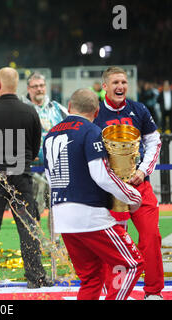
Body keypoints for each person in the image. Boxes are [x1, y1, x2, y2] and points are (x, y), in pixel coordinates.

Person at [43, 88, 144, 300]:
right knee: (133, 264)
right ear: (97, 111)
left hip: (62, 216)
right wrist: (132, 196)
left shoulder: (51, 134)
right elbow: (102, 175)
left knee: (91, 278)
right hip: (90, 215)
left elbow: (50, 178)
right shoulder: (91, 131)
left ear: (69, 107)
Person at [0, 67, 52, 289]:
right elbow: (36, 148)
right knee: (28, 227)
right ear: (17, 86)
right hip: (21, 177)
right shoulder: (30, 112)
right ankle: (35, 277)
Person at [94, 66, 164, 300]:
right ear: (104, 86)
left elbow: (154, 142)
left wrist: (143, 171)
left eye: (123, 82)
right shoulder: (94, 113)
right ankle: (115, 293)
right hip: (108, 190)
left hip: (138, 185)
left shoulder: (139, 109)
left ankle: (153, 292)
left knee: (151, 237)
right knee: (112, 242)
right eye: (115, 82)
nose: (120, 86)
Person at [20, 72, 68, 216]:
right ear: (29, 89)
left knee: (58, 208)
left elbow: (71, 129)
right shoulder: (22, 110)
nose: (39, 89)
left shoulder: (57, 108)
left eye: (41, 86)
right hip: (31, 170)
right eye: (35, 86)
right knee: (33, 209)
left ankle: (56, 238)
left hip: (56, 168)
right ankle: (34, 238)